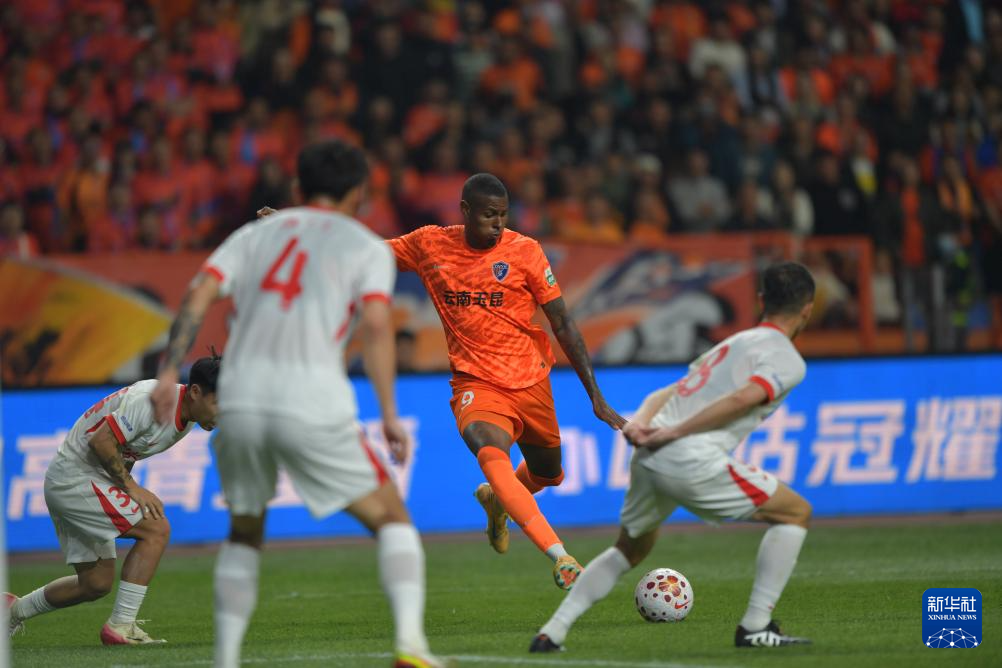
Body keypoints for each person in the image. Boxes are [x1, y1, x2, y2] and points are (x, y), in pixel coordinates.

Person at [151, 140, 447, 668]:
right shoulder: (365, 248)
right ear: (358, 193)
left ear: (296, 186)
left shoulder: (253, 235)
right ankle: (411, 645)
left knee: (245, 531)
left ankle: (225, 660)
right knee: (393, 519)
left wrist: (169, 372)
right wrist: (387, 414)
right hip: (312, 398)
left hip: (238, 401)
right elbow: (376, 327)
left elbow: (199, 293)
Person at [530, 262, 816, 652]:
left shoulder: (734, 344)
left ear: (762, 300)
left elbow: (670, 391)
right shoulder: (787, 359)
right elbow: (743, 398)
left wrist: (640, 423)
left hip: (649, 455)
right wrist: (675, 433)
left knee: (628, 549)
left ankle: (552, 632)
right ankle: (755, 626)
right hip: (688, 456)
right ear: (807, 310)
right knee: (795, 513)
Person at [387, 173, 625, 589]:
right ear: (465, 212)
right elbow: (359, 252)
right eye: (488, 215)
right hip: (475, 383)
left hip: (530, 380)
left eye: (503, 215)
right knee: (490, 452)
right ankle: (561, 556)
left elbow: (563, 324)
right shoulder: (429, 244)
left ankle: (498, 501)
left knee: (549, 474)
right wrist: (294, 227)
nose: (497, 224)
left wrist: (596, 396)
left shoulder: (525, 251)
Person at [5, 355, 222, 645]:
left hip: (83, 480)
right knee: (156, 529)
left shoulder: (185, 420)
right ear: (195, 391)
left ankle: (12, 610)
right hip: (76, 479)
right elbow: (101, 440)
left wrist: (124, 486)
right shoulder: (152, 401)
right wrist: (131, 488)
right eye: (218, 403)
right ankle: (121, 626)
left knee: (95, 584)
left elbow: (126, 450)